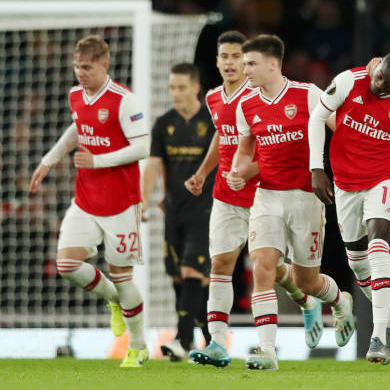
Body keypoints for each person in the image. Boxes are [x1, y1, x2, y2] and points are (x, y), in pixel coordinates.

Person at [184, 31, 321, 368]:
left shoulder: (259, 91)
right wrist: (203, 172)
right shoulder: (214, 98)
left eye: (238, 58)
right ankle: (217, 343)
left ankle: (306, 299)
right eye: (226, 57)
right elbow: (223, 136)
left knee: (272, 270)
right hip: (227, 194)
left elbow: (275, 148)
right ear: (216, 61)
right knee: (221, 265)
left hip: (266, 191)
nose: (233, 64)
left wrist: (247, 172)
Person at [228, 34, 354, 370]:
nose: (246, 70)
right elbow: (245, 150)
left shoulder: (308, 94)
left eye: (251, 63)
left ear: (273, 63)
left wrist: (343, 169)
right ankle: (267, 351)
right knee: (263, 269)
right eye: (244, 64)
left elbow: (339, 130)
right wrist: (237, 171)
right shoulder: (246, 105)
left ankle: (341, 303)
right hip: (267, 197)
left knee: (306, 281)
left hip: (305, 198)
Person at [29, 35, 150, 368]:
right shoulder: (75, 95)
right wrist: (49, 159)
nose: (80, 73)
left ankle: (138, 347)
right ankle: (113, 299)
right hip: (85, 199)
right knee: (67, 265)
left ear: (104, 65)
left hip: (122, 203)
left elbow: (142, 148)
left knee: (122, 274)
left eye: (86, 67)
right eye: (76, 66)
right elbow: (78, 128)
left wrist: (99, 161)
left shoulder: (124, 101)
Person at [308, 50, 390, 364]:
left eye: (386, 82)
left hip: (384, 178)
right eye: (378, 75)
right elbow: (317, 117)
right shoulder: (348, 80)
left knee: (377, 243)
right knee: (358, 265)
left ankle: (379, 335)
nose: (378, 83)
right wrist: (316, 168)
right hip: (345, 183)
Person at [141, 63, 213, 361]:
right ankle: (208, 333)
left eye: (181, 87)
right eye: (172, 87)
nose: (176, 93)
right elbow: (154, 165)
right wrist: (143, 201)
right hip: (173, 211)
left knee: (191, 270)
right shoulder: (163, 123)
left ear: (195, 88)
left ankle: (182, 340)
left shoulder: (211, 121)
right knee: (178, 278)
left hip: (205, 208)